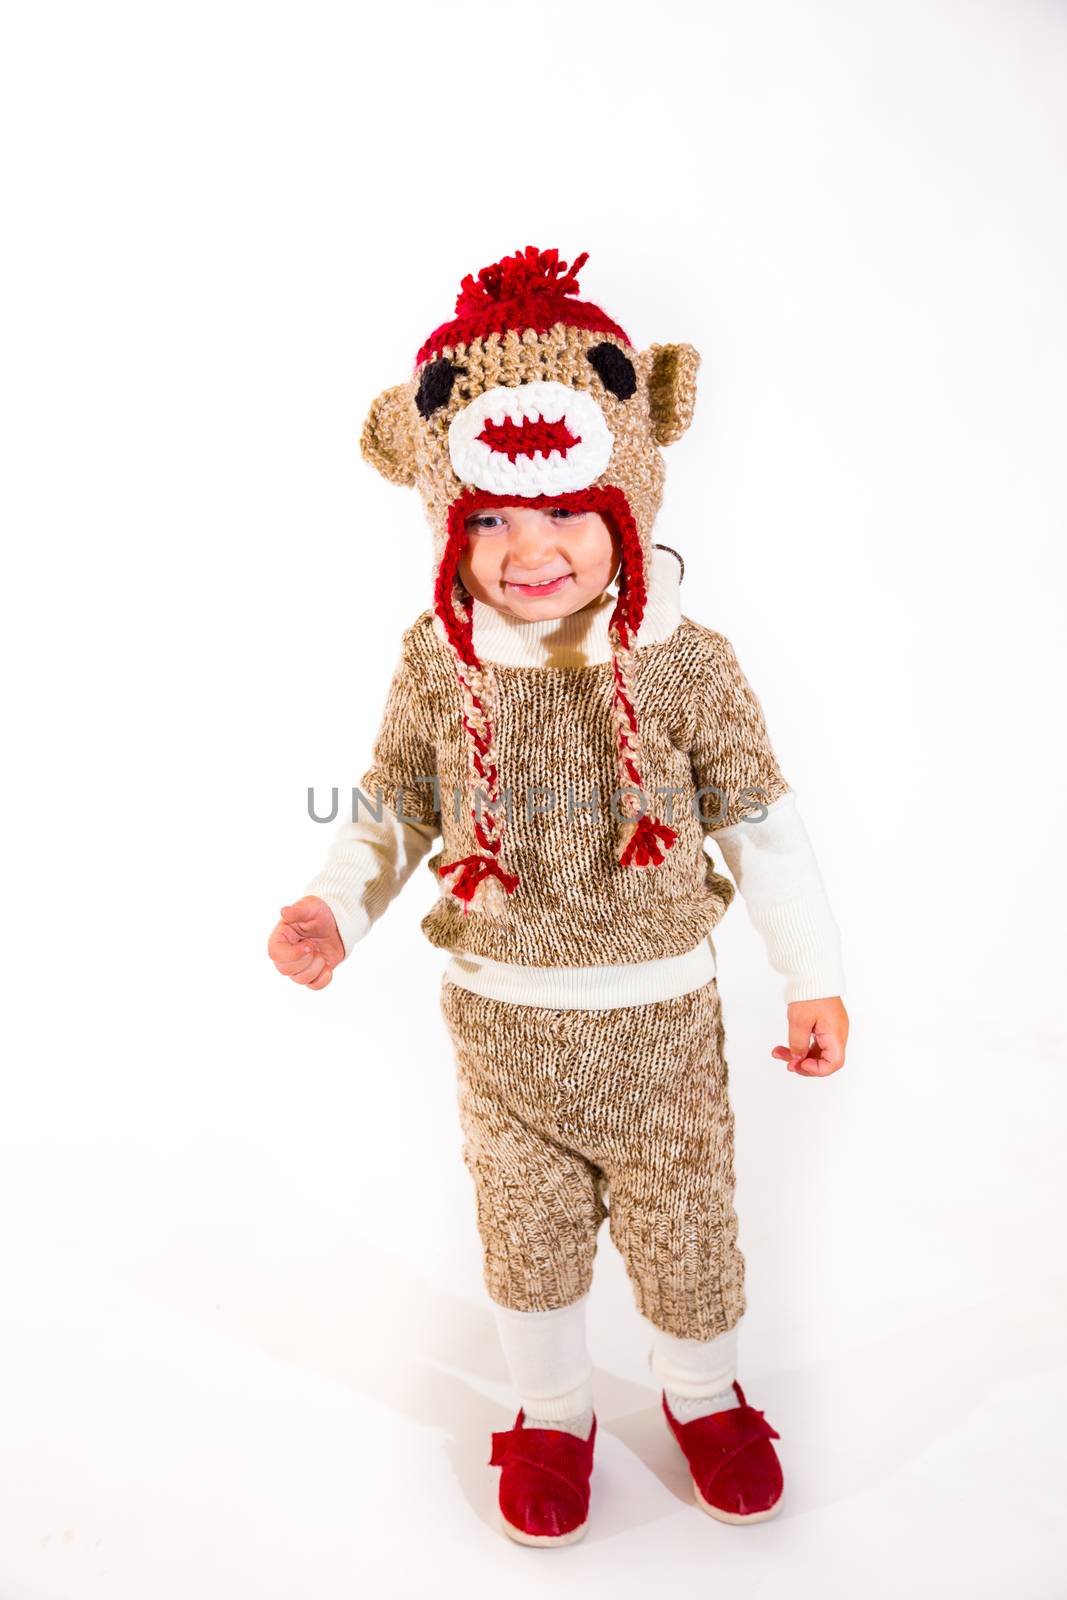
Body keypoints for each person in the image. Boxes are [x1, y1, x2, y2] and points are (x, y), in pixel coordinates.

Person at [267, 246, 849, 1546]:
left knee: (688, 1226)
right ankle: (548, 1412)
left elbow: (761, 818)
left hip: (659, 1025)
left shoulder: (690, 666)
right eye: (488, 521)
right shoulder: (435, 661)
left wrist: (814, 973)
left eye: (567, 513)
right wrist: (334, 908)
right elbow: (396, 800)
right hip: (501, 1022)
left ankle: (703, 1392)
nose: (529, 548)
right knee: (523, 1233)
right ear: (444, 523)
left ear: (629, 505)